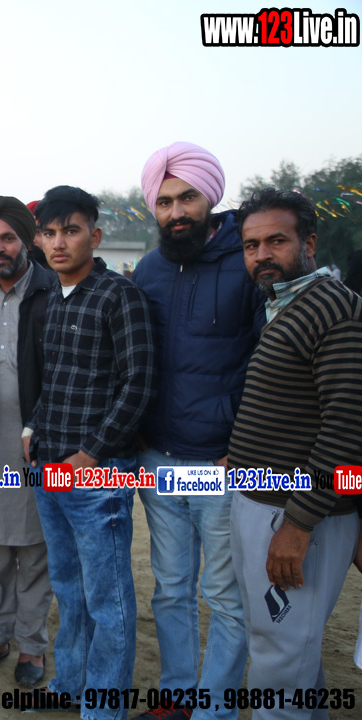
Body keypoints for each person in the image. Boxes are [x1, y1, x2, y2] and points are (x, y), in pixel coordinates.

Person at [132, 142, 263, 720]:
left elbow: (267, 361)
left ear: (210, 195)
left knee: (226, 596)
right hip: (160, 460)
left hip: (223, 463)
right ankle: (179, 696)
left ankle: (215, 708)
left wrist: (243, 444)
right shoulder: (149, 269)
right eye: (164, 202)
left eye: (187, 197)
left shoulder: (248, 261)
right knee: (171, 588)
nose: (176, 211)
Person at [21, 185, 155, 718]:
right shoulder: (53, 297)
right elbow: (54, 378)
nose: (59, 242)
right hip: (49, 468)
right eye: (50, 233)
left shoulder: (120, 296)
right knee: (68, 588)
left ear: (94, 236)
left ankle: (103, 707)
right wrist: (33, 430)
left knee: (108, 599)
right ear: (39, 239)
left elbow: (138, 384)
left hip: (98, 475)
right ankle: (70, 684)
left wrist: (92, 454)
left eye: (71, 231)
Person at [229, 188, 362, 719]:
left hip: (297, 514)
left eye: (276, 241)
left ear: (308, 243)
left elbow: (347, 429)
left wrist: (298, 525)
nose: (262, 255)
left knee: (281, 658)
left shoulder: (333, 308)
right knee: (288, 647)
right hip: (261, 502)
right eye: (251, 245)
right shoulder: (288, 305)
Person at [0, 196, 55, 686]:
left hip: (36, 442)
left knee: (35, 552)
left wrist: (40, 427)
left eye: (7, 238)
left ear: (26, 241)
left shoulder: (51, 292)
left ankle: (31, 647)